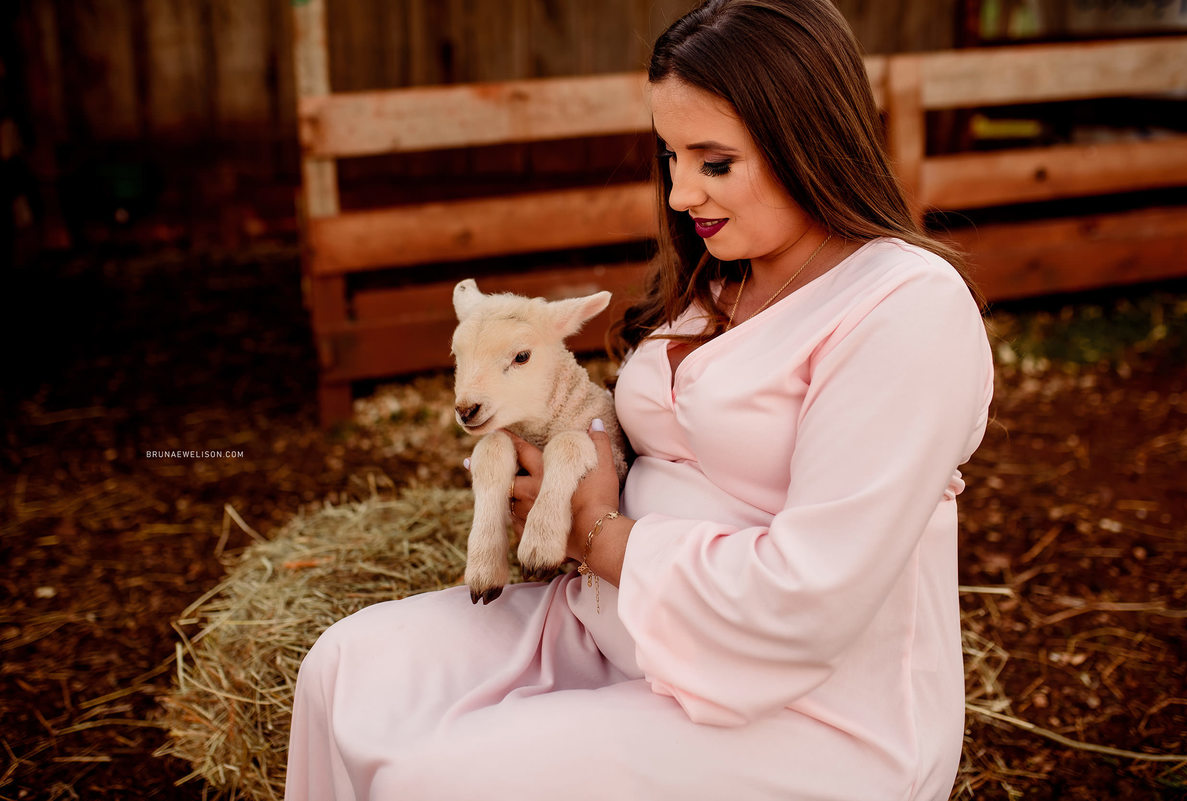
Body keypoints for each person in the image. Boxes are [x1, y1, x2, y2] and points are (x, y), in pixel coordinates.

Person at [283, 0, 994, 799]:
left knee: (437, 781)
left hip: (800, 706)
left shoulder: (903, 307)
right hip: (611, 620)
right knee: (342, 667)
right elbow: (642, 433)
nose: (683, 191)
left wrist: (592, 531)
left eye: (714, 161)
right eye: (671, 155)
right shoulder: (723, 275)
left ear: (808, 141)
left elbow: (808, 597)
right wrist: (570, 443)